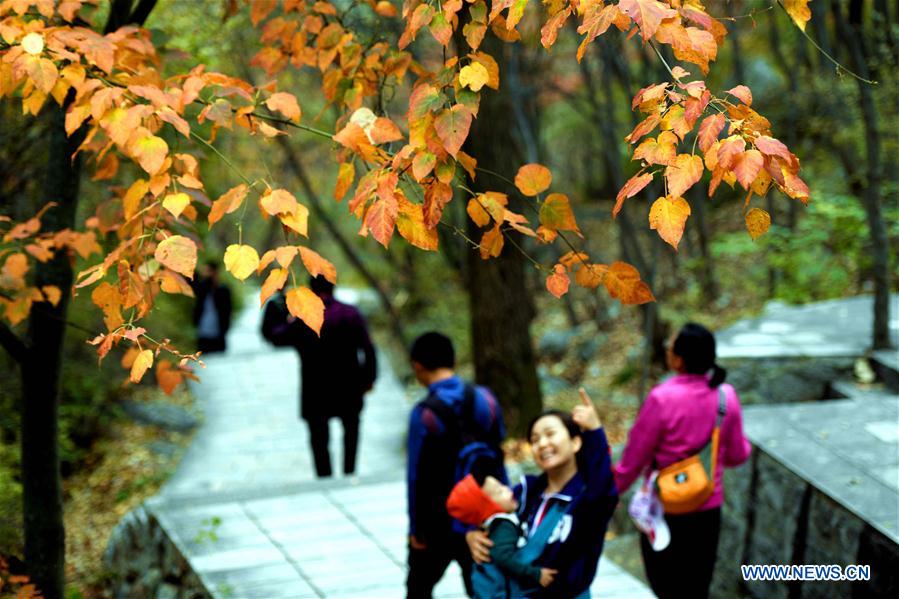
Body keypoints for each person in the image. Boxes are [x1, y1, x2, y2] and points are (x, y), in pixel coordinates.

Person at [613, 323, 752, 599]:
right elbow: (738, 455)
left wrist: (608, 490)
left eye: (670, 346)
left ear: (679, 359)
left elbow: (634, 458)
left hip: (665, 509)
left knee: (667, 587)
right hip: (707, 509)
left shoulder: (661, 398)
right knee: (696, 588)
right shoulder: (727, 397)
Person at [466, 389, 618, 598]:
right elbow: (487, 508)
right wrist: (472, 533)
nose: (542, 444)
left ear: (575, 442)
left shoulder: (587, 498)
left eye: (550, 434)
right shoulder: (524, 492)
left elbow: (605, 490)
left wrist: (594, 432)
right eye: (535, 439)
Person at [406, 331, 506, 599]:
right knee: (481, 588)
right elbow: (498, 453)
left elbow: (416, 477)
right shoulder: (486, 398)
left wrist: (416, 529)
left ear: (418, 366)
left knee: (418, 589)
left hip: (438, 519)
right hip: (483, 514)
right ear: (453, 360)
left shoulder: (424, 414)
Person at [280, 275, 377, 478]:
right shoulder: (351, 313)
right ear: (334, 286)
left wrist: (283, 310)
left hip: (315, 387)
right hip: (349, 384)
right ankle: (349, 472)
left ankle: (324, 478)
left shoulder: (302, 318)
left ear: (311, 290)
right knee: (351, 429)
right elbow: (368, 348)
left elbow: (274, 335)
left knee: (318, 435)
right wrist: (369, 379)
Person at [446, 473, 557, 597]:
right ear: (489, 506)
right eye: (500, 491)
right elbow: (503, 557)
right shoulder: (504, 526)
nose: (508, 490)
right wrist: (535, 573)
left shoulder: (492, 525)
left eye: (503, 486)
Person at [192, 261, 232, 354]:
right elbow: (193, 283)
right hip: (203, 331)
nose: (205, 274)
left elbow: (228, 310)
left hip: (218, 332)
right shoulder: (203, 288)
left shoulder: (223, 290)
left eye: (208, 271)